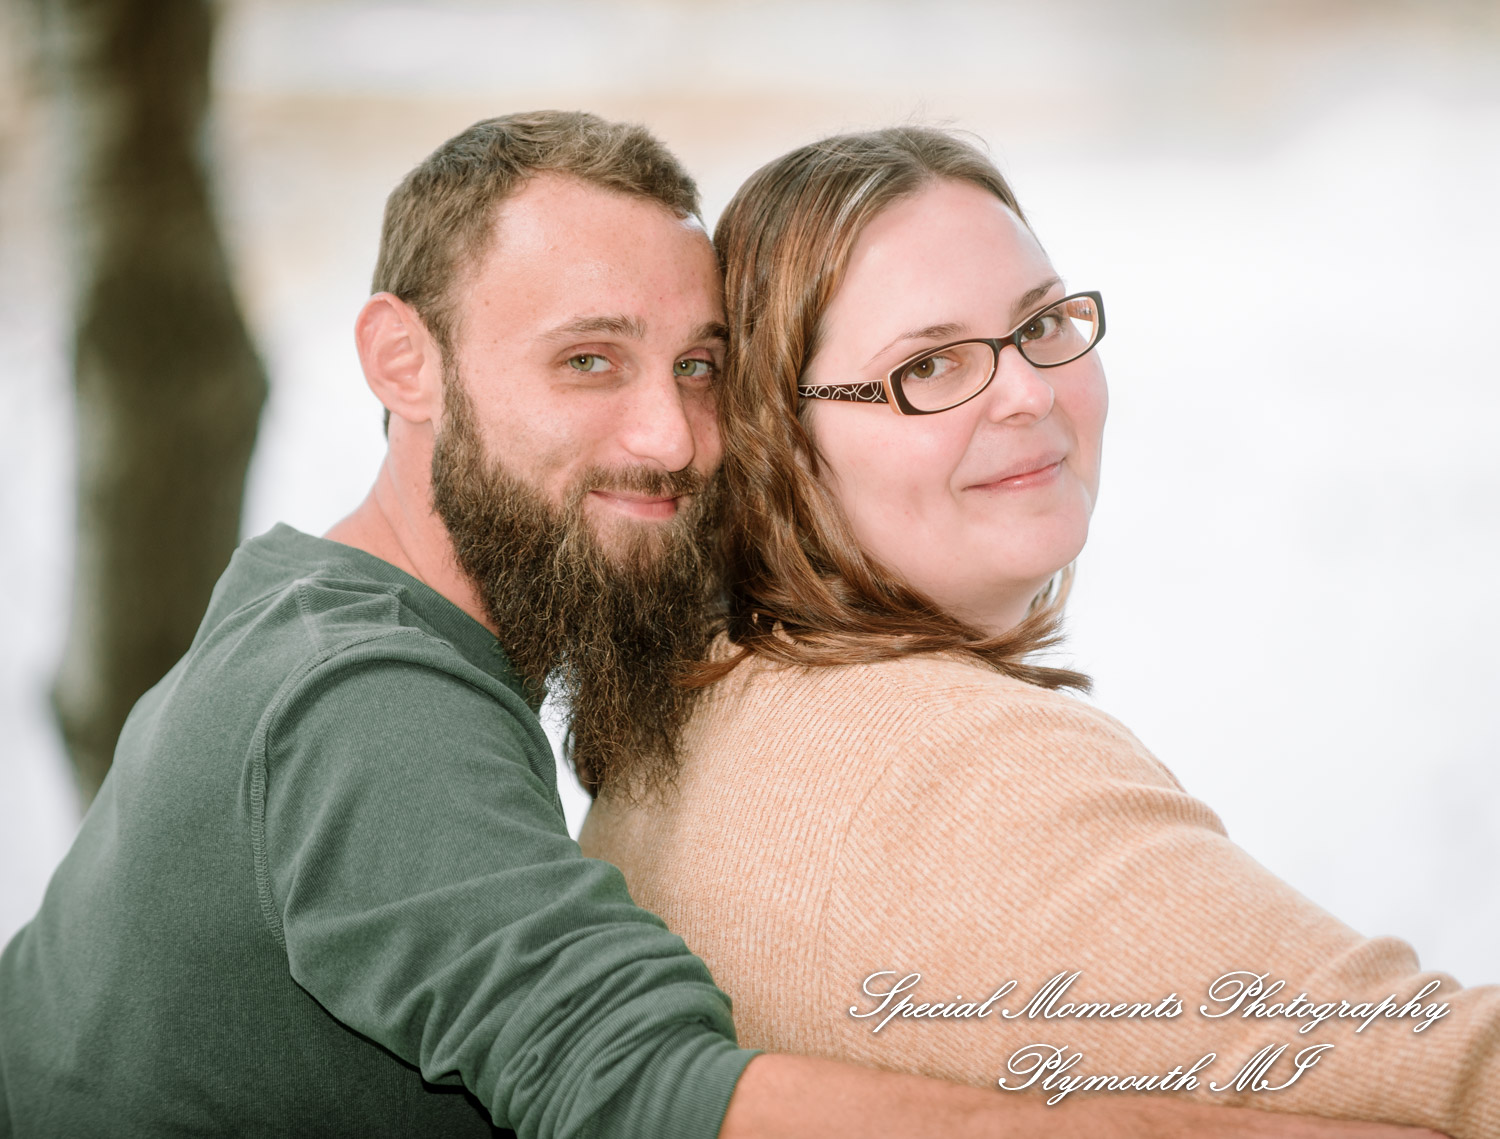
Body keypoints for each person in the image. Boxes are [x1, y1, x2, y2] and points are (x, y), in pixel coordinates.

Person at [3, 111, 1422, 1139]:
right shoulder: (363, 699)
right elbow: (639, 1089)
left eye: (698, 368)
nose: (670, 435)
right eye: (587, 361)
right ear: (402, 360)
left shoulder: (309, 601)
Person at [579, 126, 1500, 1136]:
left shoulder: (700, 713)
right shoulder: (963, 772)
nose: (1028, 390)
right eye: (929, 365)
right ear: (778, 442)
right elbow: (1455, 1068)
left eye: (1043, 323)